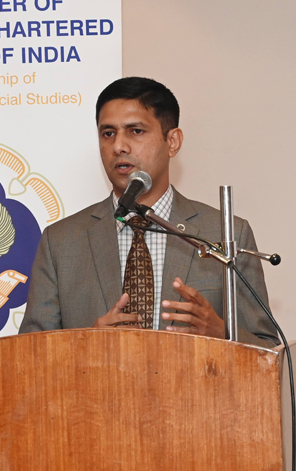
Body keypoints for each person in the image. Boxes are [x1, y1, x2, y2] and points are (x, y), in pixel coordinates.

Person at [18, 77, 278, 347]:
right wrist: (85, 344)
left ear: (173, 141)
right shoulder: (61, 241)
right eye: (108, 133)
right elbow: (29, 353)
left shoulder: (226, 233)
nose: (119, 146)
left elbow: (269, 350)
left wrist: (222, 332)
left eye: (136, 131)